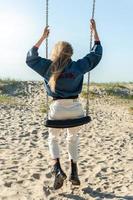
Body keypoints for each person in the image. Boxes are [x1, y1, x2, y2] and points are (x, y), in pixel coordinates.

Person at [26, 19, 103, 190]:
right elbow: (97, 54)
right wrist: (94, 32)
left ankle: (57, 169)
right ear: (71, 53)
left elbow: (30, 59)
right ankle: (74, 172)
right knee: (73, 138)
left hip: (57, 109)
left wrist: (42, 37)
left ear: (55, 52)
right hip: (76, 109)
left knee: (53, 138)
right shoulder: (78, 66)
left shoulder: (47, 67)